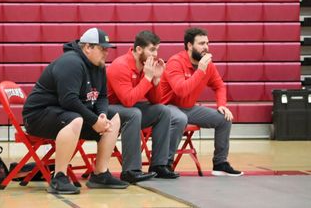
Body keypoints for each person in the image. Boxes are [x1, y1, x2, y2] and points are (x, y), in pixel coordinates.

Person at [22, 28, 129, 195]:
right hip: (38, 116)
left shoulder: (99, 66)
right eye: (102, 48)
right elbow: (68, 100)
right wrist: (94, 121)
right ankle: (59, 178)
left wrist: (101, 116)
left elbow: (101, 96)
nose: (106, 53)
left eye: (107, 48)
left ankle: (100, 174)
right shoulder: (71, 62)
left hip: (66, 113)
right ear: (87, 47)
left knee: (113, 118)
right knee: (76, 119)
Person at [160, 27, 244, 177]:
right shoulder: (176, 62)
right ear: (190, 45)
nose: (206, 47)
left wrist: (222, 105)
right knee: (181, 118)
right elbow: (181, 90)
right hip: (167, 107)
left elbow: (219, 86)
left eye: (207, 43)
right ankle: (165, 164)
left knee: (224, 119)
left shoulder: (207, 65)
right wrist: (201, 70)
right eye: (201, 43)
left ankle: (220, 163)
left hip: (189, 108)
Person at [107, 30, 182, 184]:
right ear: (139, 49)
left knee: (162, 111)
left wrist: (156, 80)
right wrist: (147, 77)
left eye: (157, 50)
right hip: (108, 111)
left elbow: (157, 101)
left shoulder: (145, 66)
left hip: (130, 111)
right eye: (152, 50)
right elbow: (128, 101)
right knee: (133, 113)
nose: (155, 54)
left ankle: (158, 165)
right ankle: (130, 170)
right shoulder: (120, 65)